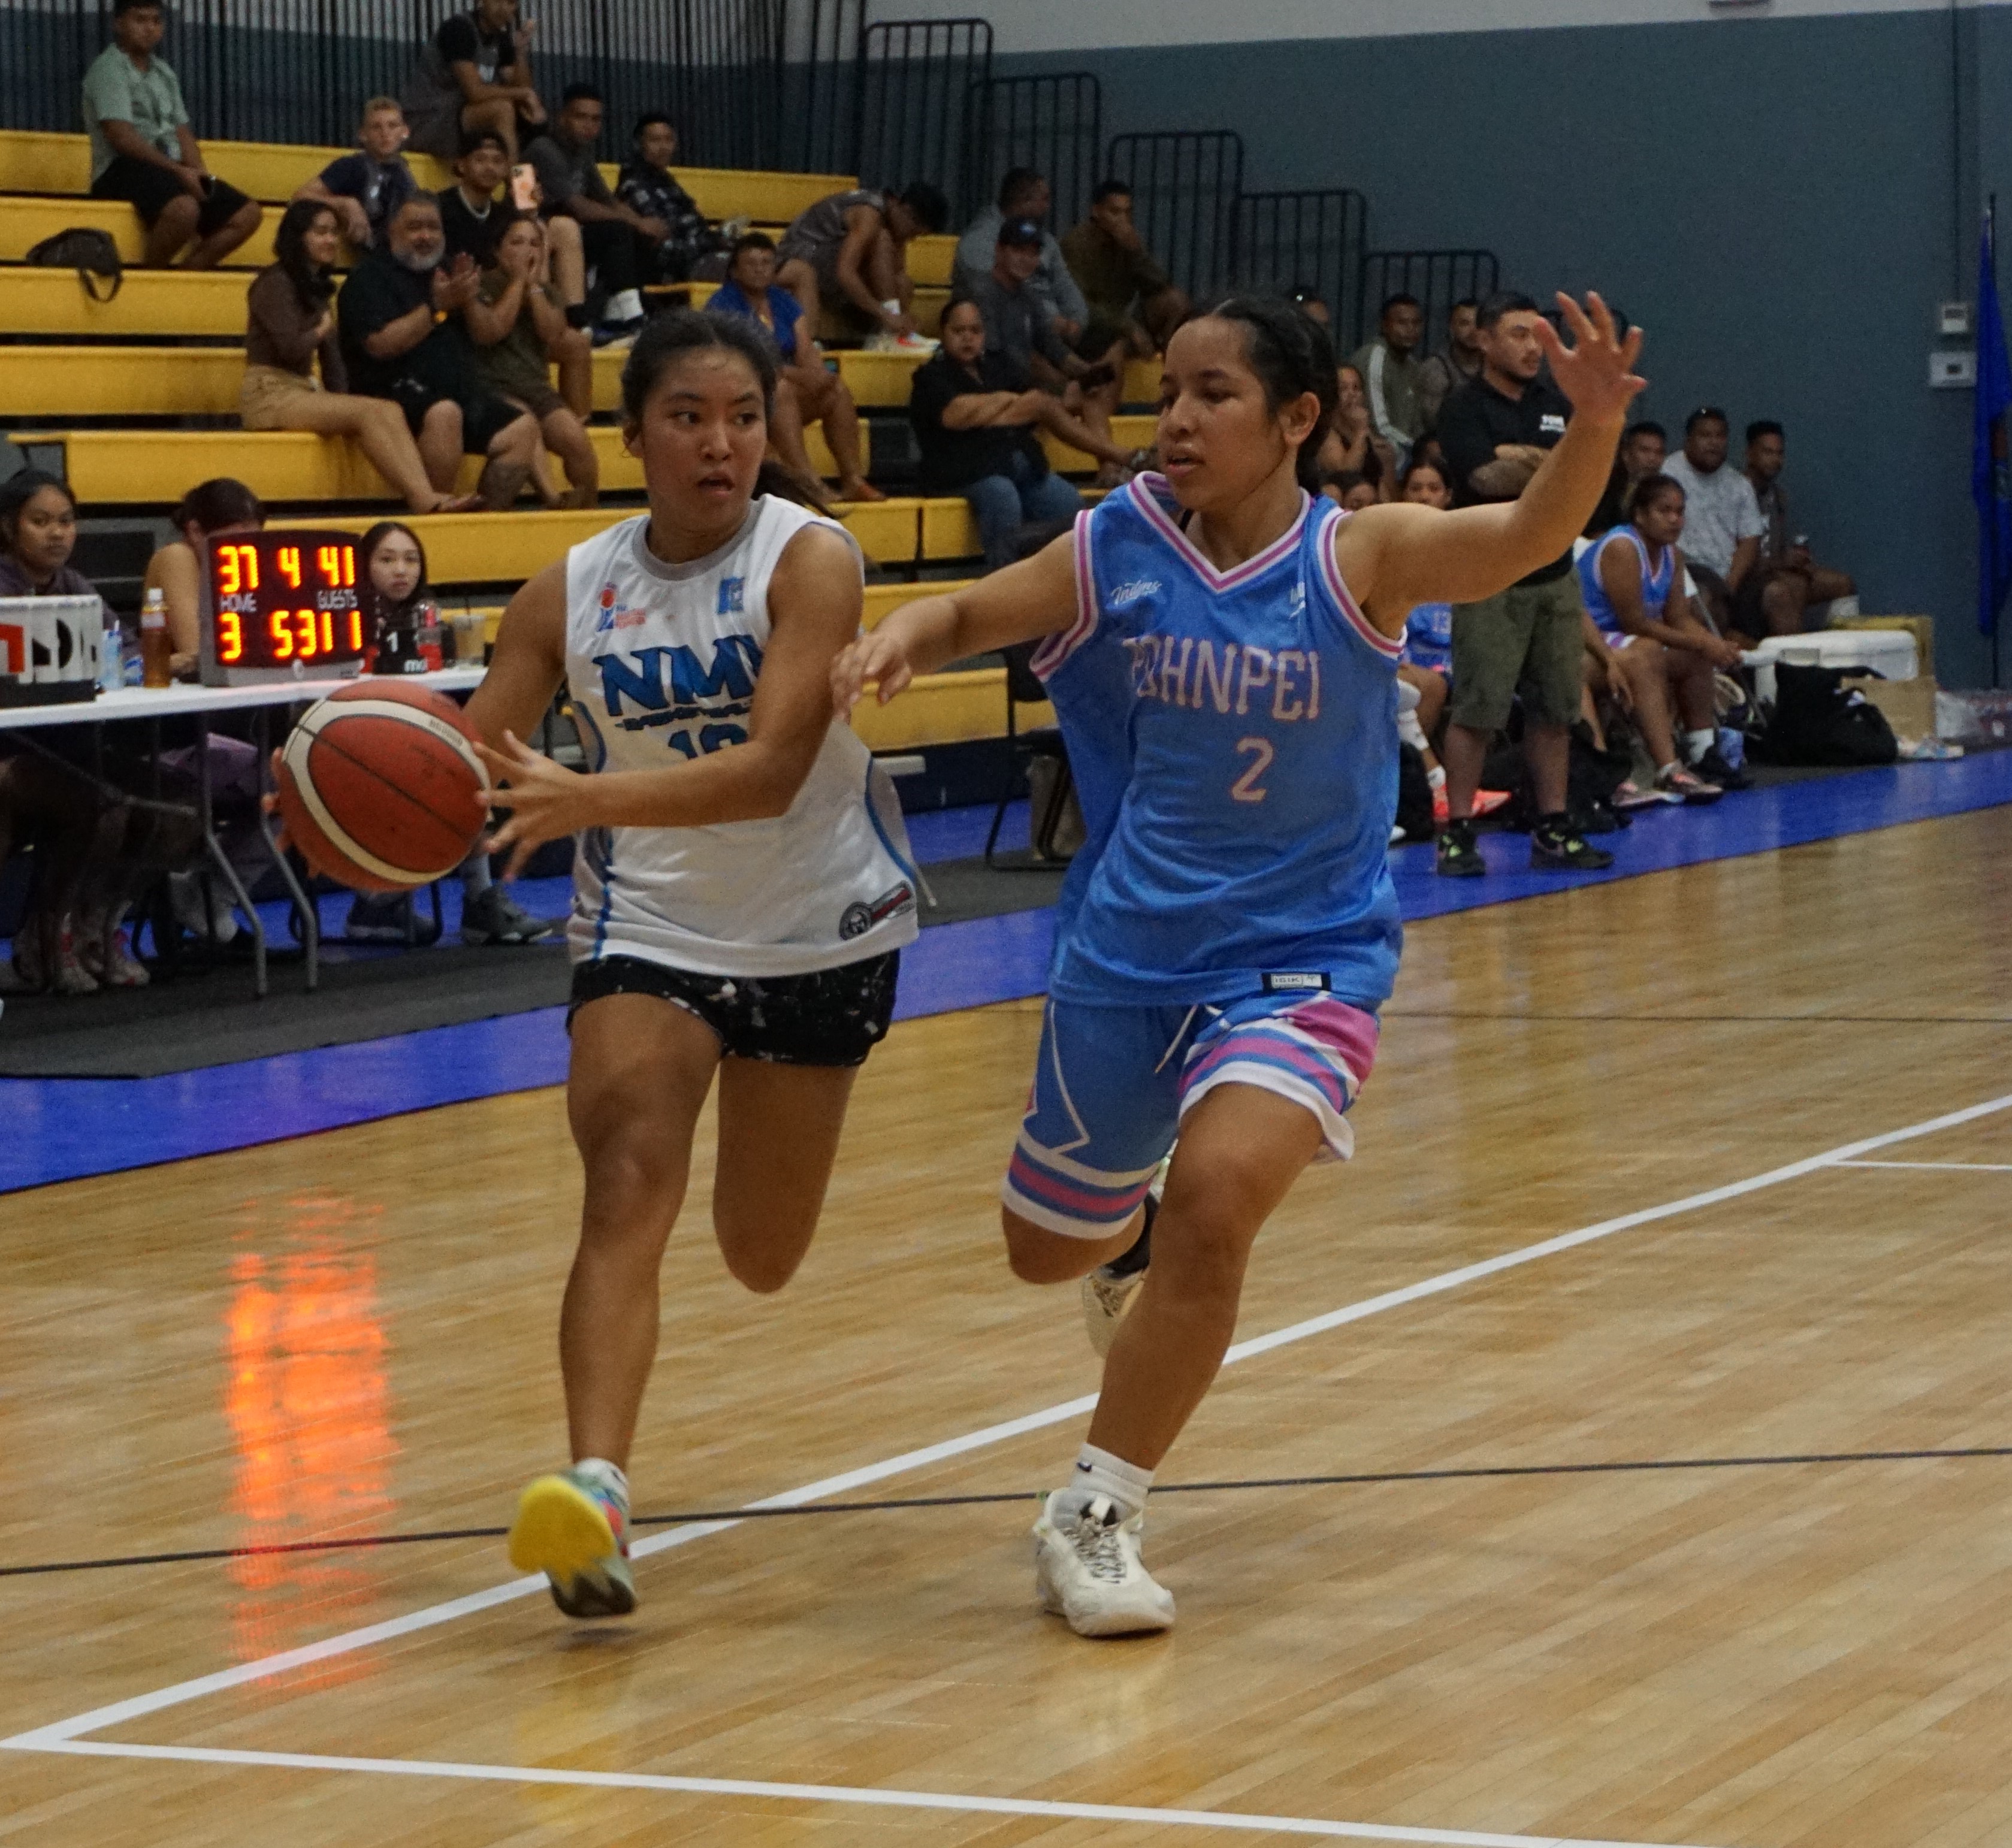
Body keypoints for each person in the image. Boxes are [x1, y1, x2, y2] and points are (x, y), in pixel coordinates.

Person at [835, 291, 1643, 1638]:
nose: (1179, 419)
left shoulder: (1361, 555)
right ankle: (1118, 1245)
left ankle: (1092, 1512)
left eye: (1214, 394)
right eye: (1170, 391)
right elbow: (975, 608)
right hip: (1129, 949)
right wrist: (900, 640)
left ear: (1297, 420)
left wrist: (1595, 428)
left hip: (1305, 957)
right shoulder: (1118, 545)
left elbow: (1518, 538)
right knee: (1045, 1250)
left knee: (1218, 1197)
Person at [401, 311, 919, 1618]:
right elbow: (471, 766)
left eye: (743, 416)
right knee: (626, 1171)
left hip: (816, 927)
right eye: (688, 416)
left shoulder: (813, 561)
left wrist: (586, 799)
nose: (721, 442)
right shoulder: (562, 593)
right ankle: (594, 1494)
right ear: (633, 434)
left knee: (759, 1252)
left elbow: (769, 775)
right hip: (652, 930)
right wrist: (368, 781)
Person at [1433, 292, 1614, 878]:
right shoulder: (1463, 406)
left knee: (1556, 708)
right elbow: (1483, 477)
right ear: (1483, 340)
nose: (1532, 347)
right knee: (1478, 709)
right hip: (1488, 572)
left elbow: (1585, 469)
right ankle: (1457, 832)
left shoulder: (1556, 400)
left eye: (1537, 336)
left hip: (1554, 573)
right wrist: (1547, 462)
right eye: (1516, 334)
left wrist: (1524, 459)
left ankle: (1553, 827)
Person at [342, 519, 557, 949]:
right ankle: (377, 900)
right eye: (386, 559)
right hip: (355, 750)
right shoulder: (343, 623)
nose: (401, 570)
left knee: (467, 769)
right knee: (442, 774)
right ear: (363, 567)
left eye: (411, 559)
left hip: (414, 745)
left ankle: (477, 900)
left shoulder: (431, 619)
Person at [0, 471, 150, 994]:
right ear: (9, 526)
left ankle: (95, 930)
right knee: (101, 805)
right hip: (10, 752)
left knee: (169, 802)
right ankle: (41, 941)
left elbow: (126, 647)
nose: (57, 534)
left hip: (65, 747)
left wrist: (136, 662)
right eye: (40, 522)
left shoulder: (77, 588)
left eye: (66, 521)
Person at [243, 201, 478, 516]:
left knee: (386, 409)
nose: (331, 241)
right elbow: (291, 349)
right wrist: (321, 329)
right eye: (321, 233)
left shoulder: (316, 287)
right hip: (268, 392)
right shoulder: (274, 282)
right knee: (371, 413)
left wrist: (343, 400)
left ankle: (429, 495)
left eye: (334, 233)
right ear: (298, 238)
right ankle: (424, 500)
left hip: (301, 389)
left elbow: (332, 361)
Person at [337, 193, 540, 512]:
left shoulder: (449, 272)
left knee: (522, 429)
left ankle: (483, 521)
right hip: (393, 395)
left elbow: (488, 334)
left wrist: (468, 299)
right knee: (445, 413)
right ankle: (434, 518)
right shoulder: (368, 278)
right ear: (392, 231)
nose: (426, 236)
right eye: (415, 227)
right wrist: (437, 307)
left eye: (434, 228)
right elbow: (380, 344)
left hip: (457, 392)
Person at [1577, 475, 1744, 800]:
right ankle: (1669, 768)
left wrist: (1715, 645)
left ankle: (1703, 753)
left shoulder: (1673, 555)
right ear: (1640, 515)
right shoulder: (1623, 547)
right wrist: (1702, 641)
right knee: (1650, 651)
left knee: (1695, 657)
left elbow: (1680, 619)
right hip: (1591, 643)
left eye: (1680, 512)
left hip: (1628, 643)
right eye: (1664, 511)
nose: (1675, 520)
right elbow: (1635, 623)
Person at [909, 297, 1100, 571]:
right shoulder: (930, 376)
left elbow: (1038, 404)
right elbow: (956, 415)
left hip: (1017, 465)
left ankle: (1062, 577)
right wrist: (1009, 401)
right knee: (1002, 493)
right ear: (943, 333)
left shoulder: (1000, 367)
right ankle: (1003, 580)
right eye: (959, 331)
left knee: (1069, 501)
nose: (968, 338)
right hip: (961, 471)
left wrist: (992, 409)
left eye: (975, 331)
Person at [81, 0, 261, 270]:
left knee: (249, 214)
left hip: (169, 171)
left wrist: (198, 173)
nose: (149, 28)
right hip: (119, 171)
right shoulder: (108, 69)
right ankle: (151, 277)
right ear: (118, 24)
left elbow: (181, 131)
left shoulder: (164, 73)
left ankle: (190, 271)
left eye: (156, 21)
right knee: (184, 210)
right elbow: (121, 137)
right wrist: (179, 173)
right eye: (140, 20)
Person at [709, 232, 878, 504]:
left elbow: (805, 347)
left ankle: (853, 480)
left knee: (835, 389)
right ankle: (806, 481)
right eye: (751, 263)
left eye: (766, 262)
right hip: (740, 398)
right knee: (781, 389)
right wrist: (801, 376)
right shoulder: (722, 305)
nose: (760, 269)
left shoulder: (783, 300)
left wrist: (818, 375)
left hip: (783, 387)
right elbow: (750, 363)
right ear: (735, 271)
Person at [968, 219, 1137, 484]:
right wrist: (1058, 385)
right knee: (1071, 395)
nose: (1026, 259)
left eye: (1033, 253)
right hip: (992, 392)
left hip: (1024, 386)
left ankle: (1108, 468)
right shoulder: (982, 294)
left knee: (1090, 391)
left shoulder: (1027, 295)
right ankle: (1121, 457)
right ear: (999, 250)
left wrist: (1085, 372)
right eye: (1018, 251)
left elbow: (1051, 346)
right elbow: (996, 358)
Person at [467, 214, 600, 510]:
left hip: (536, 387)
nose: (527, 250)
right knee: (525, 422)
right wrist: (517, 282)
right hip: (492, 387)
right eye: (517, 242)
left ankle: (588, 510)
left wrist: (535, 287)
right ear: (498, 250)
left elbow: (552, 334)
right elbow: (492, 331)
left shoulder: (546, 292)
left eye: (535, 244)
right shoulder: (481, 285)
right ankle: (551, 498)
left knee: (577, 442)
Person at [525, 84, 658, 344]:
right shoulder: (543, 149)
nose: (589, 125)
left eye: (595, 119)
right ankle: (630, 316)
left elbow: (607, 199)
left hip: (574, 230)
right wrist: (636, 222)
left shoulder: (583, 152)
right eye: (580, 117)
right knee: (618, 229)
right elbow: (578, 206)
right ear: (562, 117)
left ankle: (617, 314)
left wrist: (643, 224)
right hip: (545, 228)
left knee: (637, 234)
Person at [774, 182, 948, 351]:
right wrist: (885, 314)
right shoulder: (869, 213)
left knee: (905, 283)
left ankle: (892, 337)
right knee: (882, 238)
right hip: (801, 255)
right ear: (907, 211)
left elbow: (899, 278)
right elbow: (845, 272)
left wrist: (904, 320)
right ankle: (890, 330)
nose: (911, 239)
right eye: (913, 233)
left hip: (832, 267)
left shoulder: (893, 221)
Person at [1736, 419, 1856, 639]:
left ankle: (1841, 655)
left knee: (1842, 584)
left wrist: (1799, 562)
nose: (1775, 459)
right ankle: (1793, 666)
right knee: (1792, 586)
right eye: (1767, 452)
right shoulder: (1734, 494)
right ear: (1749, 454)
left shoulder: (1778, 497)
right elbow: (1734, 561)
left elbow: (1778, 550)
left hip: (1775, 571)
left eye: (1779, 453)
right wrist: (1782, 563)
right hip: (1749, 583)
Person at [953, 168, 1089, 343]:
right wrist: (1048, 321)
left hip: (1054, 331)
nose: (1048, 207)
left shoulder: (1046, 240)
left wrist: (1077, 321)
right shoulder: (979, 240)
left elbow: (1066, 286)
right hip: (1001, 330)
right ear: (1023, 201)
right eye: (1045, 199)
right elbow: (992, 295)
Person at [1660, 407, 1764, 634]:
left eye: (1720, 436)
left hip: (1730, 575)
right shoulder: (1666, 474)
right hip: (1687, 570)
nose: (1714, 443)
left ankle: (1787, 665)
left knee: (1782, 593)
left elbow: (1750, 539)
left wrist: (1730, 584)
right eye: (1705, 436)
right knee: (1704, 597)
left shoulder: (1739, 484)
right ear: (1689, 440)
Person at [1061, 180, 1189, 361]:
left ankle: (1171, 365)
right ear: (1096, 212)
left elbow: (1160, 284)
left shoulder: (1127, 241)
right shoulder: (1076, 245)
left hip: (1122, 316)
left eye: (1128, 213)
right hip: (1095, 324)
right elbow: (1081, 304)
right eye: (1115, 212)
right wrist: (1128, 327)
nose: (1123, 220)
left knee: (1176, 300)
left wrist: (1136, 252)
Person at [401, 0, 545, 162]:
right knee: (502, 109)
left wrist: (520, 52)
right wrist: (524, 94)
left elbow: (521, 87)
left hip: (458, 120)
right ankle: (511, 181)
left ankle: (503, 172)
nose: (503, 8)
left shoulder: (501, 39)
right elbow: (475, 92)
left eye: (511, 3)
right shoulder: (460, 29)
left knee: (524, 113)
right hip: (427, 121)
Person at [616, 113, 735, 285]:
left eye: (668, 140)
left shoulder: (668, 183)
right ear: (639, 145)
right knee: (749, 269)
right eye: (655, 140)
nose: (663, 147)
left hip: (700, 258)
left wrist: (718, 240)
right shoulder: (634, 186)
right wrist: (710, 243)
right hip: (675, 272)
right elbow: (668, 250)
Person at [294, 98, 416, 250]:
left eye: (392, 126)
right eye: (376, 127)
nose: (385, 133)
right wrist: (344, 203)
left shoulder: (404, 171)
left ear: (405, 132)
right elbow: (300, 197)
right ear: (363, 135)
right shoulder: (350, 166)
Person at [1351, 293, 1426, 464]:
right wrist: (1419, 448)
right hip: (1374, 451)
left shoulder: (1413, 365)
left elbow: (1417, 423)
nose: (1410, 329)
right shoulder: (1374, 357)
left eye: (1416, 323)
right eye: (1402, 323)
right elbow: (1379, 425)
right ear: (1384, 326)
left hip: (1406, 449)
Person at [1316, 361, 1394, 491]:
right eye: (1343, 389)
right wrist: (1361, 432)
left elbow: (1378, 481)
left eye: (1356, 388)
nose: (1352, 394)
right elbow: (1346, 477)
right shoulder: (1327, 435)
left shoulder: (1366, 435)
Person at [1585, 418, 1669, 537]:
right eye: (1645, 451)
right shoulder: (1603, 485)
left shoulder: (1664, 490)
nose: (1652, 459)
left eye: (1659, 453)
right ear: (1626, 454)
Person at [1417, 298, 1482, 433]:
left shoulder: (1497, 366)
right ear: (1452, 328)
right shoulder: (1436, 368)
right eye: (1465, 324)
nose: (1473, 331)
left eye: (1478, 324)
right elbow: (1433, 422)